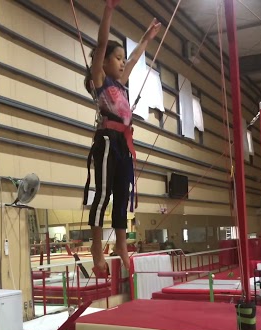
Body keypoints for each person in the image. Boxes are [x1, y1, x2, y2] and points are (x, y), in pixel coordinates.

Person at [83, 0, 161, 277]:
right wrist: (108, 11)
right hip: (107, 140)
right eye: (117, 58)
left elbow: (136, 57)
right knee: (103, 194)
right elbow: (102, 43)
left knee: (122, 196)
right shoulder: (100, 80)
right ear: (103, 62)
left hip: (123, 143)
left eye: (121, 59)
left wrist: (147, 38)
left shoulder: (120, 83)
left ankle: (120, 244)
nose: (122, 62)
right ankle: (96, 248)